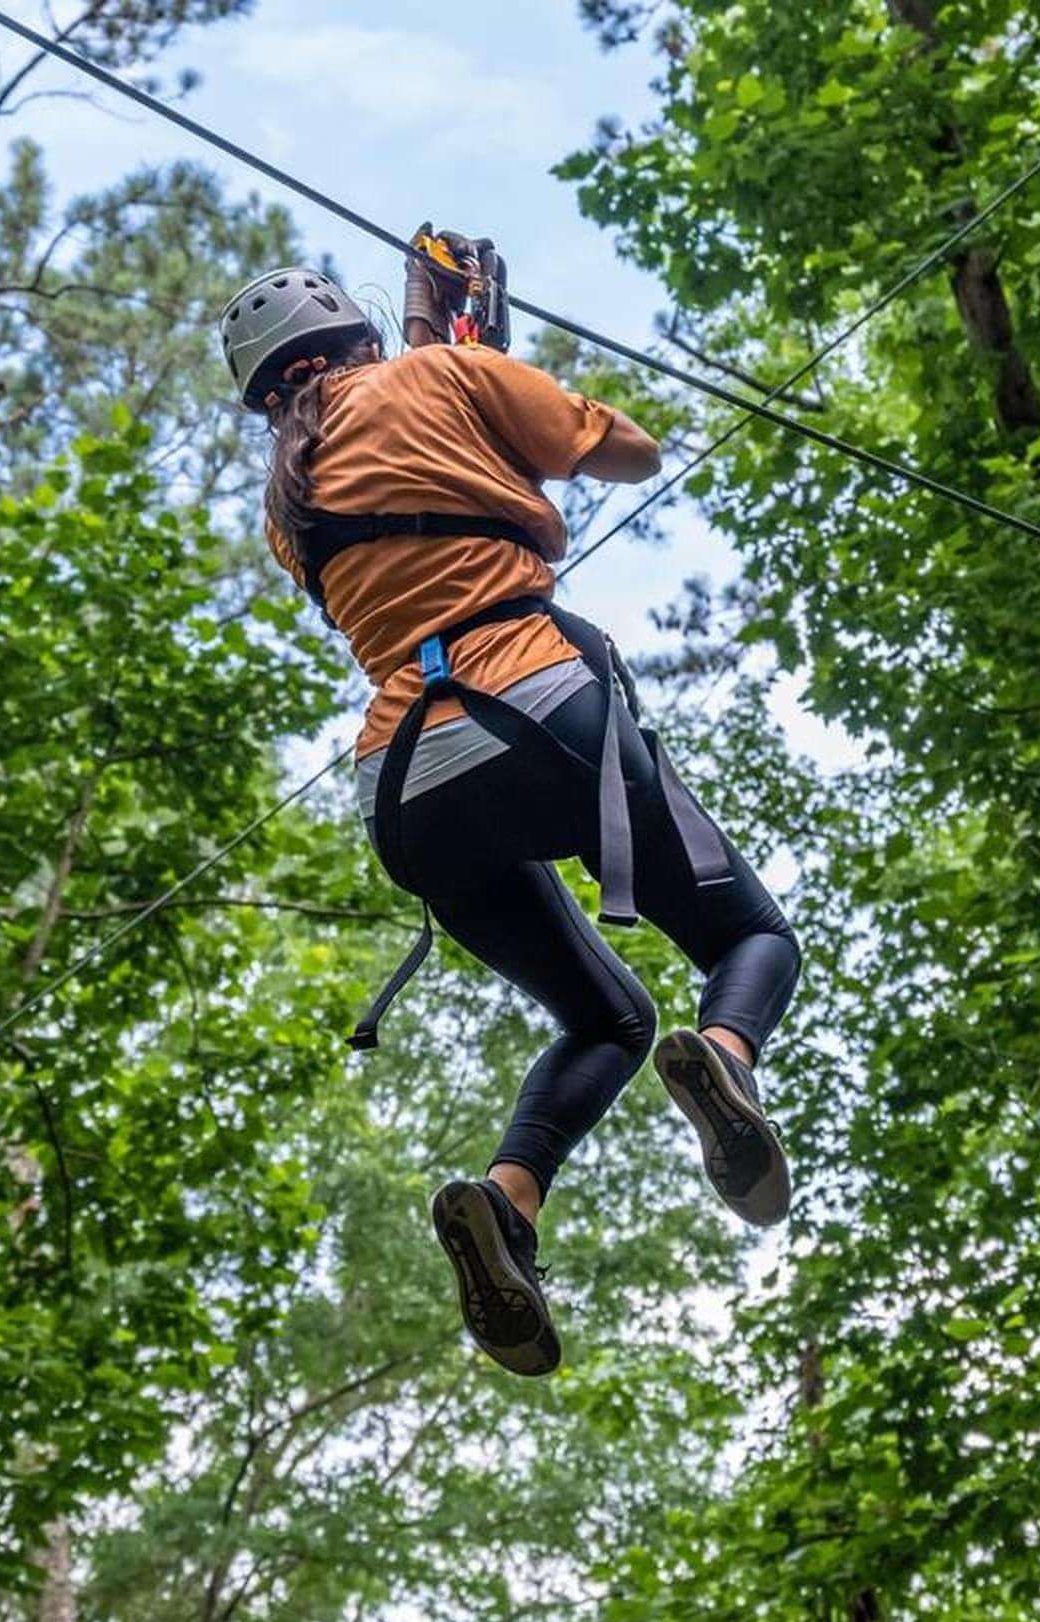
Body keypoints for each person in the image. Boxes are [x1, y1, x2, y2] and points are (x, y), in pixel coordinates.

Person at [220, 256, 801, 1378]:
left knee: (605, 1023)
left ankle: (506, 1202)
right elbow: (627, 449)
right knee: (748, 941)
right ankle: (724, 1055)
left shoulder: (284, 506)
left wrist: (454, 358)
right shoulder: (438, 375)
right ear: (356, 331)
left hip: (402, 780)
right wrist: (477, 361)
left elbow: (403, 507)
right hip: (535, 703)